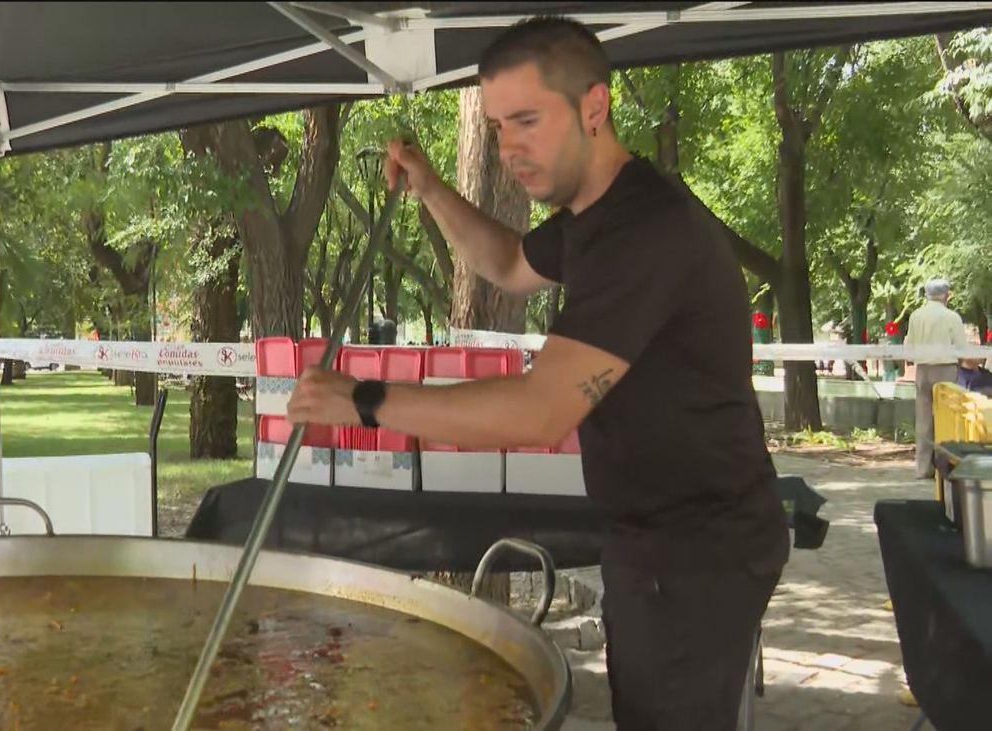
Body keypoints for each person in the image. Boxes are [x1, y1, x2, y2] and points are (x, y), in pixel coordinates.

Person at [288, 16, 788, 730]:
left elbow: (540, 411)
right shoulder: (593, 215)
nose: (509, 148)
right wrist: (431, 188)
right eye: (497, 127)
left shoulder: (645, 230)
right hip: (657, 533)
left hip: (697, 547)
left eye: (527, 120)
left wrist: (365, 400)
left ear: (594, 106)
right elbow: (506, 262)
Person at [904, 279, 967, 479]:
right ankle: (946, 467)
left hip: (923, 370)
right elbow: (961, 347)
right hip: (946, 369)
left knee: (923, 420)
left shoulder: (916, 316)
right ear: (946, 295)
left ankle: (923, 468)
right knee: (947, 418)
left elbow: (909, 346)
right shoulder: (952, 317)